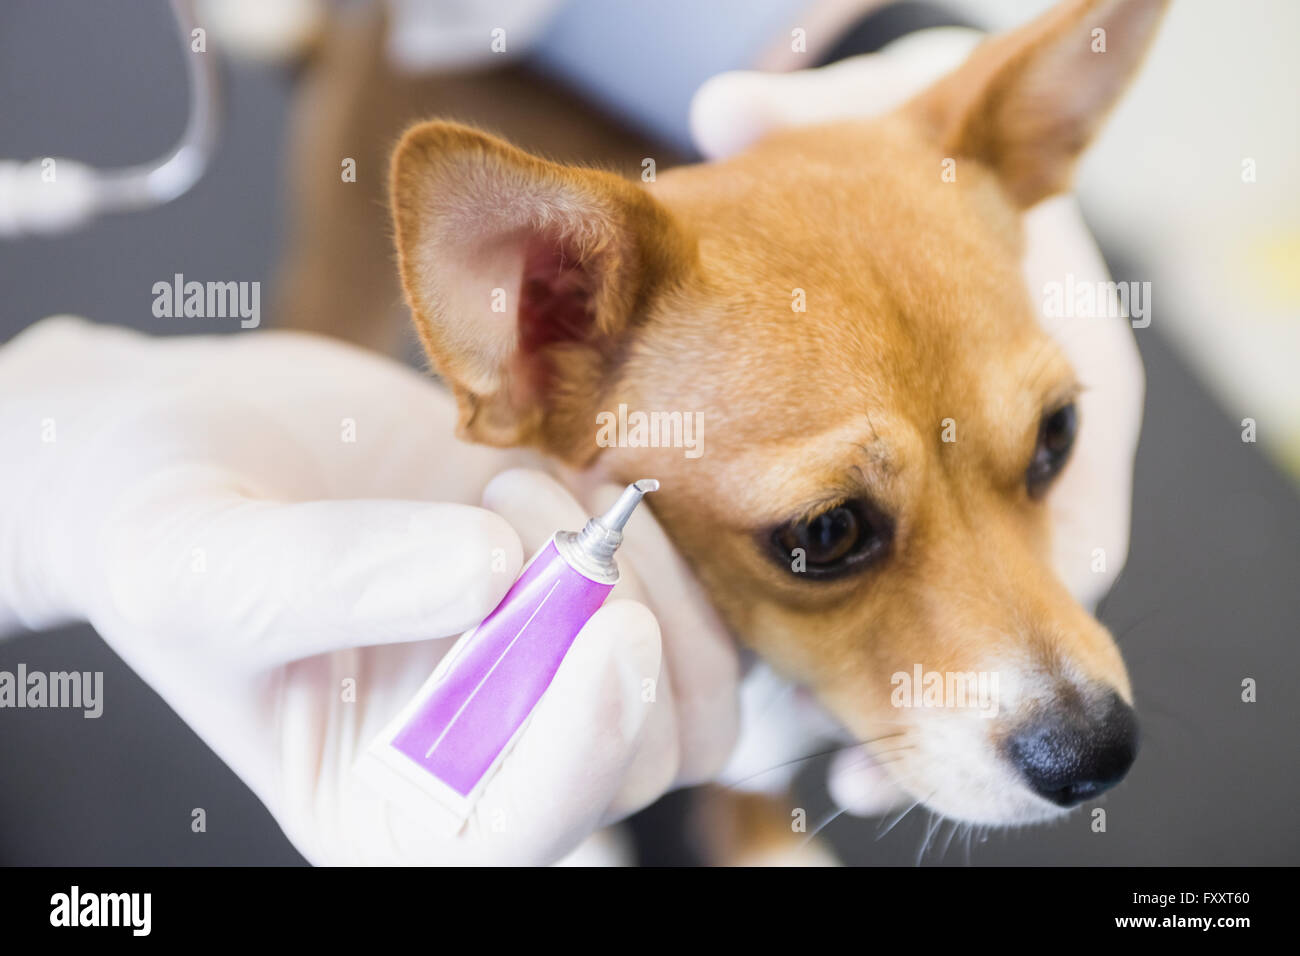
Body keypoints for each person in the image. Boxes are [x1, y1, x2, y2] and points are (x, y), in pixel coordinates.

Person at [0, 22, 1141, 865]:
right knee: (322, 318)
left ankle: (746, 811)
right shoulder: (559, 294)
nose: (1052, 662)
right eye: (830, 528)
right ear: (541, 347)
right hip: (433, 63)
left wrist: (954, 121)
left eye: (1045, 438)